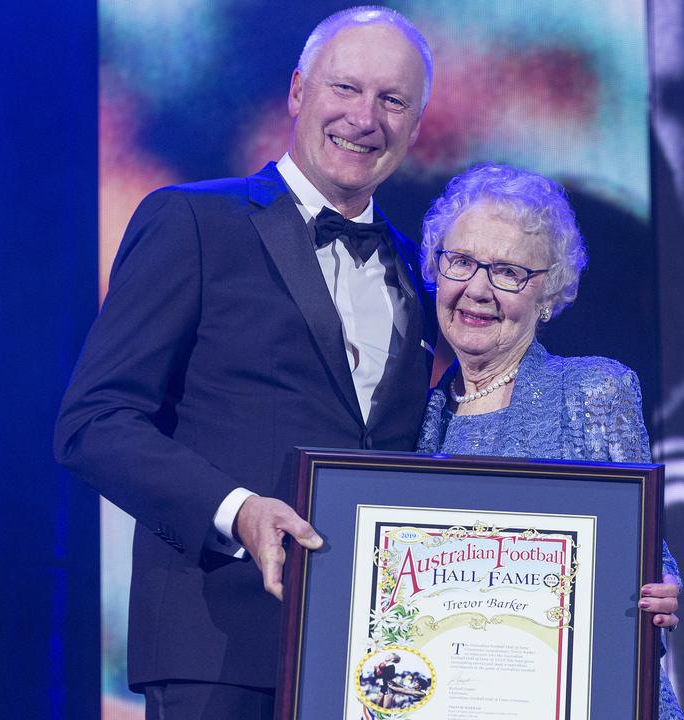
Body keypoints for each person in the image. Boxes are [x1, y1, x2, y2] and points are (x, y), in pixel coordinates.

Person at [53, 7, 436, 718]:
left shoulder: (417, 271)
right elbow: (93, 423)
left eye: (392, 100)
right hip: (217, 644)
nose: (365, 117)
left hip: (371, 662)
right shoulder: (193, 222)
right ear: (297, 92)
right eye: (345, 89)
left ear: (416, 125)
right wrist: (236, 512)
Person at [414, 163, 684, 718]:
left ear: (548, 292)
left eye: (509, 271)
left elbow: (643, 551)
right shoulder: (423, 414)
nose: (478, 291)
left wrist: (660, 587)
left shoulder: (592, 390)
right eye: (461, 262)